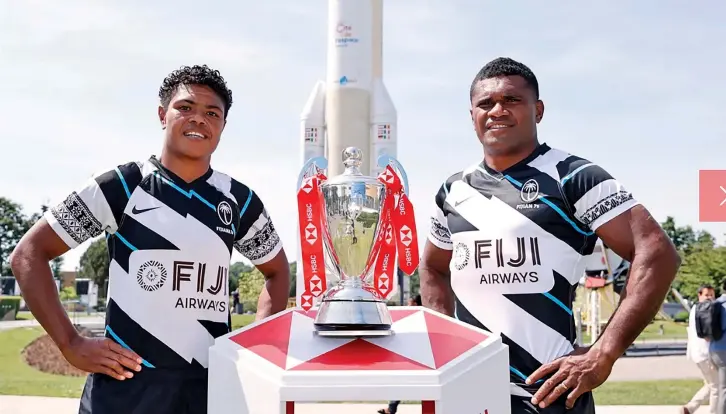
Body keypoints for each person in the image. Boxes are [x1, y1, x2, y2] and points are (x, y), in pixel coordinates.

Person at [9, 64, 291, 414]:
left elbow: (277, 272)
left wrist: (251, 349)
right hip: (125, 391)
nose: (198, 119)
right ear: (162, 114)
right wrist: (70, 343)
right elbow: (28, 254)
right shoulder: (123, 185)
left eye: (211, 113)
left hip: (208, 391)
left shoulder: (238, 199)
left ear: (222, 125)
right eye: (185, 108)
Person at [419, 57, 681, 413]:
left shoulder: (572, 176)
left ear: (537, 110)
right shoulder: (452, 190)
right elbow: (434, 268)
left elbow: (656, 252)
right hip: (471, 392)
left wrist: (603, 353)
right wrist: (445, 346)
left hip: (549, 395)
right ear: (472, 117)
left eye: (511, 100)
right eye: (485, 103)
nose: (497, 110)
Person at [377, 294, 422, 414]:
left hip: (414, 356)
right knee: (399, 381)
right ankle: (391, 407)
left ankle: (392, 407)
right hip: (409, 355)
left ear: (416, 304)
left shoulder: (417, 318)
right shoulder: (411, 319)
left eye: (410, 303)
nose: (408, 305)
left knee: (402, 381)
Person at [683, 284, 718, 414]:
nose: (709, 298)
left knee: (710, 384)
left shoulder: (695, 309)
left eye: (711, 295)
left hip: (696, 354)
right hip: (706, 354)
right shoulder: (705, 311)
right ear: (699, 296)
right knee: (716, 387)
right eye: (706, 295)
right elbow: (708, 336)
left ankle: (690, 407)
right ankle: (714, 412)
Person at [708, 282, 726, 414]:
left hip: (713, 349)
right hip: (724, 350)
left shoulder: (715, 303)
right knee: (724, 389)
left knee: (720, 387)